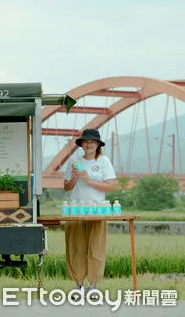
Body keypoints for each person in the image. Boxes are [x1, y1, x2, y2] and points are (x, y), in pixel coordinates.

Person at [63, 128, 117, 299]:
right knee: (76, 246)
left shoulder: (103, 161)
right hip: (76, 209)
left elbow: (110, 186)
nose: (88, 144)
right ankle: (78, 285)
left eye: (92, 142)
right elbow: (66, 186)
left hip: (98, 210)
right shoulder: (74, 161)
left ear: (98, 144)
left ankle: (93, 285)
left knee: (96, 247)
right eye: (86, 142)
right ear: (81, 144)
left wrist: (89, 181)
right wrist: (75, 178)